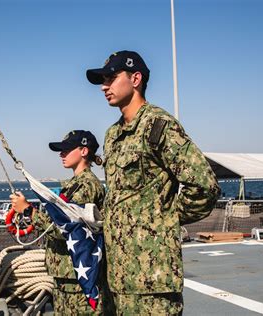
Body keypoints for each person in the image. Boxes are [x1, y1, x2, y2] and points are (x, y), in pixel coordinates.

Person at [86, 51, 221, 315]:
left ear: (135, 78)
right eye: (103, 80)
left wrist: (164, 218)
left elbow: (204, 186)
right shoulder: (113, 135)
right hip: (119, 276)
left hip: (152, 280)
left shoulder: (158, 126)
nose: (104, 86)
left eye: (111, 78)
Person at [10, 130, 106, 315]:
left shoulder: (85, 186)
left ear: (84, 151)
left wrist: (28, 210)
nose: (61, 154)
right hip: (68, 274)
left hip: (77, 277)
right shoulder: (76, 183)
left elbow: (66, 228)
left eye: (67, 149)